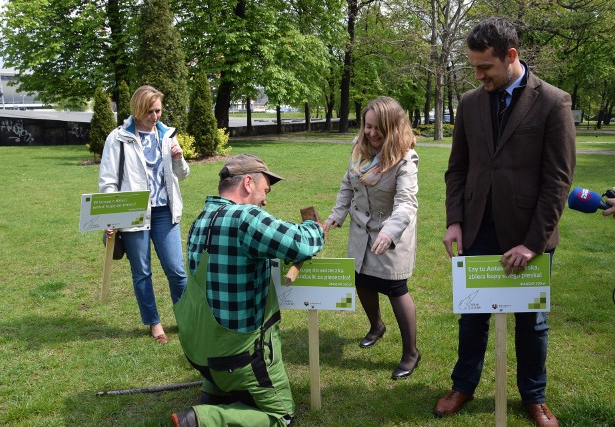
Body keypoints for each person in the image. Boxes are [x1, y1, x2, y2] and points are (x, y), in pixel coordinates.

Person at [435, 17, 575, 427]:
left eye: (485, 68)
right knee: (472, 316)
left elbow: (557, 181)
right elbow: (457, 169)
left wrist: (533, 242)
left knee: (532, 323)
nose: (479, 76)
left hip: (530, 235)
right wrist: (455, 220)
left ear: (511, 56)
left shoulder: (553, 101)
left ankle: (534, 397)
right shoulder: (470, 102)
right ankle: (463, 386)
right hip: (478, 229)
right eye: (473, 68)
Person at [171, 154, 325, 427]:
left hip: (199, 352)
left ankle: (215, 392)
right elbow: (301, 243)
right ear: (248, 183)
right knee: (281, 416)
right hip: (237, 358)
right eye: (265, 190)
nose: (266, 199)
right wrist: (315, 227)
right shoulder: (246, 218)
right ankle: (202, 419)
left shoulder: (201, 218)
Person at [323, 96, 420, 380]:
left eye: (379, 129)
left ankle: (411, 353)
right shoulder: (359, 152)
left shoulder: (405, 158)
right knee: (361, 279)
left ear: (393, 128)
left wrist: (390, 232)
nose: (372, 133)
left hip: (391, 232)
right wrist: (335, 216)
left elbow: (406, 203)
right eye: (368, 126)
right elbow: (347, 186)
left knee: (395, 287)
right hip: (360, 230)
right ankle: (376, 326)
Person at [99, 85, 189, 345]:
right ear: (138, 110)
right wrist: (110, 219)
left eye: (158, 110)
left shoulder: (167, 135)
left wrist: (178, 158)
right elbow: (108, 182)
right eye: (149, 111)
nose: (155, 116)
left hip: (165, 212)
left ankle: (185, 318)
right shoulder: (118, 138)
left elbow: (182, 175)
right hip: (134, 214)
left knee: (176, 270)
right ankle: (154, 323)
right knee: (142, 272)